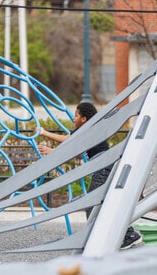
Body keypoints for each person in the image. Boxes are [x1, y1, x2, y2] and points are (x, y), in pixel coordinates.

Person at [37, 102, 142, 250]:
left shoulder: (88, 130)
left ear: (84, 119)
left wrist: (52, 152)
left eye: (76, 115)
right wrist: (44, 133)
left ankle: (106, 237)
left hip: (103, 166)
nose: (74, 118)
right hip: (104, 165)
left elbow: (71, 149)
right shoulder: (87, 128)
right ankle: (126, 235)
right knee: (103, 203)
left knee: (92, 203)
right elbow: (67, 139)